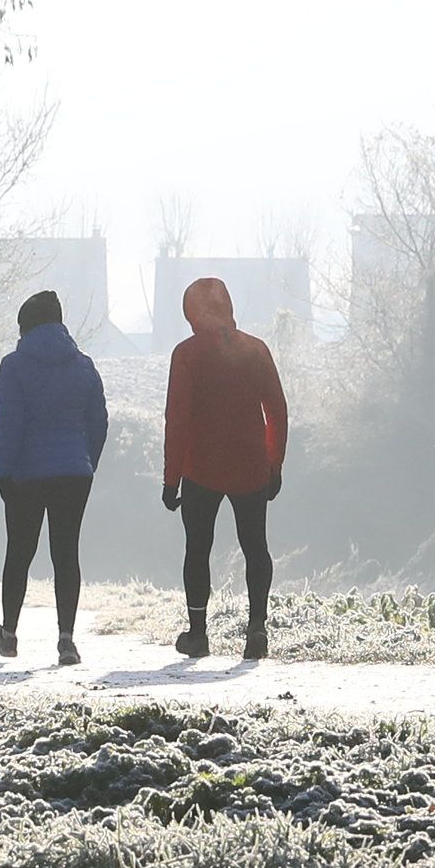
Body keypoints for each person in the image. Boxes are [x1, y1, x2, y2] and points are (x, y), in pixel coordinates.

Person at [158, 273, 290, 661]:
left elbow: (177, 419)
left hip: (201, 469)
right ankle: (257, 629)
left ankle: (198, 634)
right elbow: (277, 411)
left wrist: (171, 479)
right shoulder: (256, 349)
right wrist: (274, 462)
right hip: (250, 465)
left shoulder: (186, 354)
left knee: (198, 549)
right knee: (256, 547)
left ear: (192, 312)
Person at [0, 288, 105, 665]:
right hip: (73, 472)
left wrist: (2, 471)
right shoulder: (84, 365)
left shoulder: (14, 365)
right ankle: (66, 640)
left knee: (19, 553)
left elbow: (11, 423)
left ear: (27, 327)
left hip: (25, 475)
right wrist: (87, 460)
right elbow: (98, 421)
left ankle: (8, 634)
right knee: (65, 554)